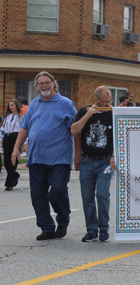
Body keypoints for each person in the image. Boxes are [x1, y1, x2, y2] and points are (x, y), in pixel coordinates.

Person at [11, 71, 77, 240]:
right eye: (41, 83)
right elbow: (24, 128)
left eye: (47, 82)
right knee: (38, 194)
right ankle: (46, 227)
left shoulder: (66, 104)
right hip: (36, 157)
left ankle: (62, 220)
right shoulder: (34, 104)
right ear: (37, 86)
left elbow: (75, 129)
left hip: (59, 157)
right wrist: (16, 149)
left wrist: (79, 155)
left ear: (54, 84)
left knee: (57, 190)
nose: (44, 85)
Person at [72, 86, 116, 242]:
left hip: (105, 161)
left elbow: (119, 134)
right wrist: (87, 116)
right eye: (104, 102)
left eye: (109, 101)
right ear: (96, 100)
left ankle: (104, 227)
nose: (108, 104)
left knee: (103, 194)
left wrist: (113, 155)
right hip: (87, 160)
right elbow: (73, 130)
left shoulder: (113, 112)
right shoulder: (84, 111)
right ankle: (91, 230)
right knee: (87, 197)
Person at [0, 99, 27, 190]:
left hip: (16, 138)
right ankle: (14, 175)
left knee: (13, 160)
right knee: (7, 161)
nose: (11, 107)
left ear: (16, 106)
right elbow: (3, 128)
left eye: (12, 105)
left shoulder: (20, 117)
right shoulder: (8, 116)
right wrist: (1, 138)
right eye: (9, 105)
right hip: (7, 138)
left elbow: (24, 130)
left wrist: (23, 143)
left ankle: (9, 184)